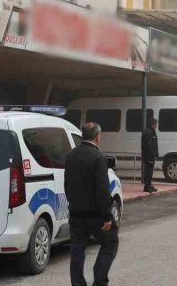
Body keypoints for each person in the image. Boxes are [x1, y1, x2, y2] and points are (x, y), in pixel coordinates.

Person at [64, 122, 118, 286]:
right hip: (95, 215)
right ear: (98, 136)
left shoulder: (71, 155)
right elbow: (102, 190)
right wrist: (107, 216)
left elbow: (67, 184)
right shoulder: (98, 157)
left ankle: (78, 283)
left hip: (75, 213)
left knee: (77, 249)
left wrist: (73, 204)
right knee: (110, 242)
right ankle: (99, 280)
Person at [141, 117, 159, 193]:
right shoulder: (148, 132)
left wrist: (156, 153)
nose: (156, 125)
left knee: (150, 171)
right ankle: (147, 186)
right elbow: (148, 145)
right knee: (148, 171)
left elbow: (154, 144)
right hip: (148, 155)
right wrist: (152, 153)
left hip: (151, 155)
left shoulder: (152, 131)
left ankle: (149, 185)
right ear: (153, 124)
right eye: (155, 123)